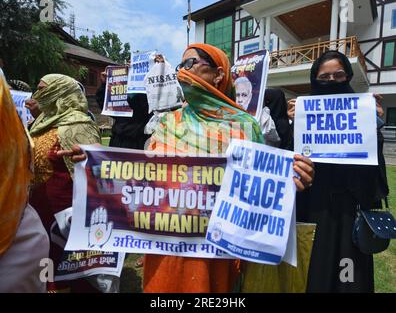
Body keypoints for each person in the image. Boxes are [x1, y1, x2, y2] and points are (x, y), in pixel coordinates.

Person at [59, 44, 315, 293]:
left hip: (218, 247)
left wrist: (290, 177)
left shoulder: (245, 126)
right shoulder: (170, 121)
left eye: (190, 63)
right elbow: (143, 175)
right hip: (167, 243)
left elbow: (259, 186)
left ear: (218, 74)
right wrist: (97, 161)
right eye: (180, 65)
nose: (182, 71)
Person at [295, 50, 389, 293]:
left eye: (338, 75)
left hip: (351, 213)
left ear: (348, 77)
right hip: (313, 211)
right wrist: (291, 128)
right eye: (324, 78)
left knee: (349, 280)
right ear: (314, 81)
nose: (332, 82)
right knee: (315, 275)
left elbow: (374, 175)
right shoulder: (302, 119)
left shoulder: (362, 115)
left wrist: (373, 127)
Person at [28, 74, 102, 292]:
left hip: (67, 212)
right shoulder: (40, 122)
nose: (37, 94)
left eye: (42, 89)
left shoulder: (79, 124)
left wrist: (90, 158)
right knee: (45, 260)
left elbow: (99, 172)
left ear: (59, 92)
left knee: (69, 263)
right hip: (39, 208)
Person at [0, 68, 49, 293]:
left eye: (43, 91)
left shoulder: (25, 239)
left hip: (57, 206)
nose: (36, 98)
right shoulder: (32, 126)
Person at [96, 72, 152, 149]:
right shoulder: (120, 85)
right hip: (118, 140)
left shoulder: (149, 90)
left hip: (140, 141)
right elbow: (106, 106)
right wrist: (104, 84)